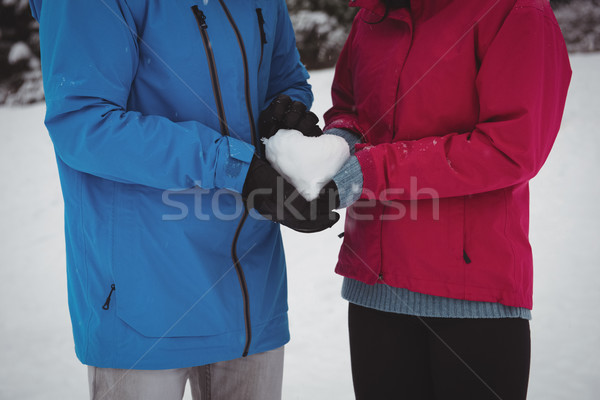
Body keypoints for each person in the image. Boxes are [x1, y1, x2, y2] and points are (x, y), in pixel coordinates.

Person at [30, 0, 337, 399]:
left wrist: (284, 122)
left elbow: (284, 80)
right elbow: (84, 124)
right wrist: (233, 168)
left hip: (251, 290)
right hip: (143, 297)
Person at [323, 0, 571, 398]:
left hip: (473, 296)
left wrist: (369, 171)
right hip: (375, 287)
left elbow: (511, 148)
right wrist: (334, 149)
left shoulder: (516, 10)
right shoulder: (373, 13)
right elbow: (348, 108)